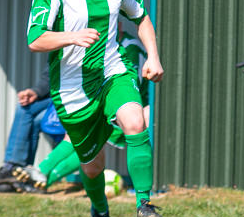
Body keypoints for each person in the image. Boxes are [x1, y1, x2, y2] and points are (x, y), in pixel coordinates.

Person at [26, 0, 165, 217]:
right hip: (72, 91)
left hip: (112, 74)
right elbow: (35, 39)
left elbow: (141, 17)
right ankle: (100, 211)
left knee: (135, 120)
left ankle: (144, 203)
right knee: (93, 166)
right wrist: (70, 37)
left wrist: (154, 56)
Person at [14, 30, 150, 192]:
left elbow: (127, 82)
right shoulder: (97, 45)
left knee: (85, 142)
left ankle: (41, 173)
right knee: (85, 145)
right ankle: (40, 180)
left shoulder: (129, 47)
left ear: (117, 24)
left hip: (129, 104)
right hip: (102, 100)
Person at [0, 64, 63, 192]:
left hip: (79, 98)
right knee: (27, 110)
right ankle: (19, 175)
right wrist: (37, 92)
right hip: (59, 96)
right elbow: (51, 74)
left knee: (35, 118)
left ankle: (15, 170)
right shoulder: (61, 46)